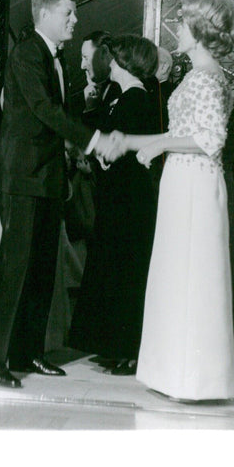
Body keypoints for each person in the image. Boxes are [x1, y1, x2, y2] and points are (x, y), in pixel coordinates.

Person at [0, 0, 122, 388]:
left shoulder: (55, 58)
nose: (75, 20)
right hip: (23, 177)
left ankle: (27, 353)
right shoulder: (26, 52)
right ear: (44, 15)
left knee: (41, 271)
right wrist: (94, 142)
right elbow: (43, 110)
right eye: (68, 14)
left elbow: (57, 115)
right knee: (15, 269)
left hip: (47, 177)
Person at [120, 0, 234, 400]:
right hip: (183, 180)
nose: (177, 29)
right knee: (179, 274)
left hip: (194, 183)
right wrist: (134, 140)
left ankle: (192, 378)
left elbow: (210, 138)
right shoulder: (197, 74)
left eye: (184, 23)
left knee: (191, 275)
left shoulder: (206, 77)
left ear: (201, 32)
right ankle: (175, 373)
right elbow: (180, 133)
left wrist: (157, 146)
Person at [68, 35, 160, 376]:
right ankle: (113, 346)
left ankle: (128, 350)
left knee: (125, 272)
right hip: (118, 197)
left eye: (113, 58)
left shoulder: (136, 97)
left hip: (129, 199)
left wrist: (106, 158)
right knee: (113, 269)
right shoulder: (124, 97)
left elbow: (128, 145)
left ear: (123, 62)